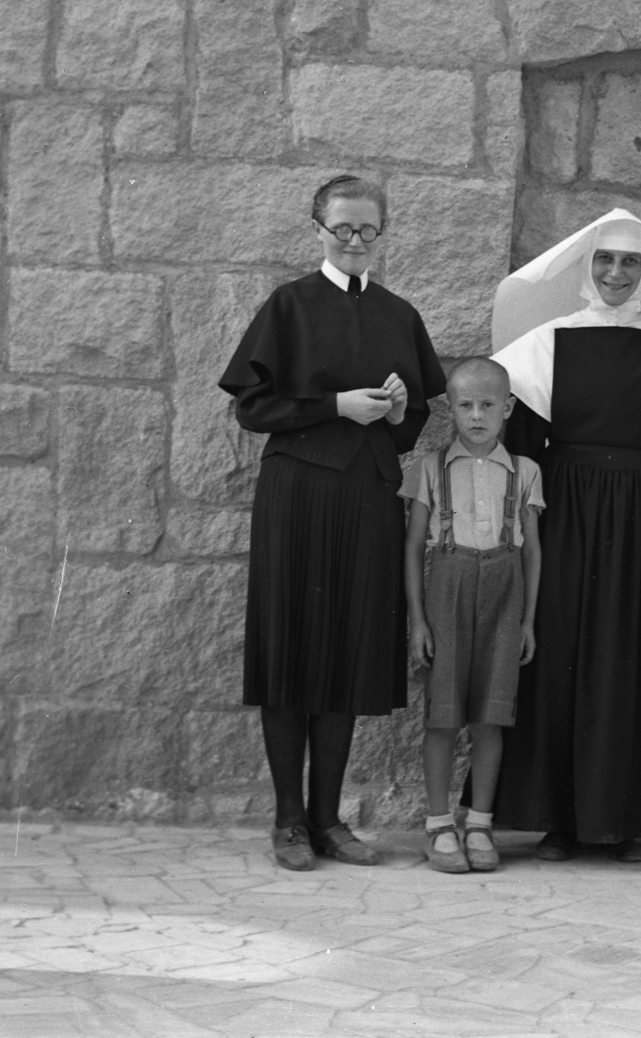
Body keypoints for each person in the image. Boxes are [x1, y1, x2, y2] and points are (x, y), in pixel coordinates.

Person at [218, 174, 446, 872]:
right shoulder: (288, 305)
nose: (354, 241)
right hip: (298, 495)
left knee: (345, 649)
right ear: (318, 229)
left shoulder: (399, 314)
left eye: (367, 230)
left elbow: (410, 429)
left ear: (383, 233)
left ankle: (328, 821)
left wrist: (397, 406)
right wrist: (334, 406)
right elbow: (252, 411)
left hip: (368, 497)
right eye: (341, 229)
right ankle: (289, 822)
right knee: (293, 651)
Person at [486, 209, 641, 862]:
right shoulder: (548, 341)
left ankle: (624, 819)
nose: (616, 274)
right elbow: (525, 447)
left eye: (629, 263)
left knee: (629, 655)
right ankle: (557, 820)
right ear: (587, 267)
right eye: (605, 261)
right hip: (565, 513)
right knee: (559, 653)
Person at [401, 358, 544, 874]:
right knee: (443, 717)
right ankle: (439, 825)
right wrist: (418, 621)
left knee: (491, 717)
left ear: (507, 408)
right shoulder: (430, 468)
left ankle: (480, 822)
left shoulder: (526, 472)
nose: (477, 415)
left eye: (488, 405)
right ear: (450, 409)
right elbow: (415, 546)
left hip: (505, 595)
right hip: (446, 593)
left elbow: (532, 554)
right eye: (465, 405)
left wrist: (527, 621)